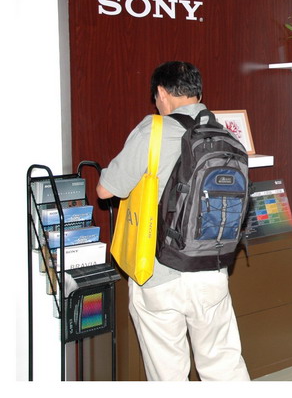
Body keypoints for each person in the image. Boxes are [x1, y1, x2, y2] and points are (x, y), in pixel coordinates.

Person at [97, 61, 250, 381]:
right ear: (198, 94)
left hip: (159, 273)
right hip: (212, 269)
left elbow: (106, 190)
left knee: (168, 374)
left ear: (162, 93)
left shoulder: (152, 130)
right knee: (224, 366)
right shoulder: (224, 135)